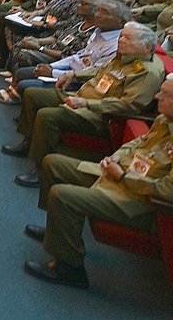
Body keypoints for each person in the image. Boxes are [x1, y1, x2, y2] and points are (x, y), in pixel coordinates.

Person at [24, 73, 173, 288]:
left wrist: (123, 176)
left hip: (141, 204)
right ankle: (57, 232)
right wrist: (117, 157)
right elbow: (137, 143)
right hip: (120, 176)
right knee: (53, 163)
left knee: (63, 196)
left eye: (165, 94)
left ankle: (70, 269)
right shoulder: (163, 120)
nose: (157, 96)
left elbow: (166, 190)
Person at [5, 19, 164, 188]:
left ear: (146, 47)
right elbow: (99, 70)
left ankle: (41, 171)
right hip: (82, 96)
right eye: (122, 36)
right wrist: (74, 76)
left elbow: (128, 105)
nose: (121, 40)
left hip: (100, 114)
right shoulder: (125, 56)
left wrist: (87, 104)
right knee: (33, 94)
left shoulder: (147, 72)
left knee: (47, 116)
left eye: (128, 38)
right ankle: (28, 142)